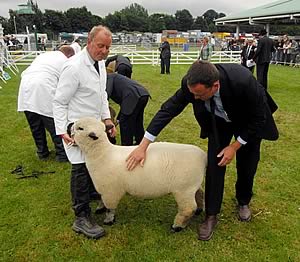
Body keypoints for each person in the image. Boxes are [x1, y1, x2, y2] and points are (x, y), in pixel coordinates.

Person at [126, 60, 279, 241]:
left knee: (248, 165)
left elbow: (259, 118)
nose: (195, 98)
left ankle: (243, 201)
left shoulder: (243, 80)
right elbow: (168, 110)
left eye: (199, 94)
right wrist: (143, 146)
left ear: (215, 86)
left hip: (248, 121)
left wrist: (234, 146)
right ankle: (211, 215)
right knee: (215, 165)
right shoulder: (191, 85)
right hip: (219, 122)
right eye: (193, 94)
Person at [53, 25, 117, 239]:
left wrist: (107, 120)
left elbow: (102, 97)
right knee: (80, 168)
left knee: (94, 163)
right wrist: (63, 131)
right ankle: (81, 217)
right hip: (76, 128)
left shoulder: (100, 64)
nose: (105, 51)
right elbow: (59, 101)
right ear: (89, 42)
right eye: (101, 46)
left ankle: (91, 195)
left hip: (94, 126)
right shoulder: (74, 67)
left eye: (108, 47)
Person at [17, 45, 75, 162]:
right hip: (43, 87)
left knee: (35, 125)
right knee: (54, 124)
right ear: (69, 55)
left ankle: (42, 152)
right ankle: (62, 154)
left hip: (25, 87)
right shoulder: (65, 61)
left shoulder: (44, 55)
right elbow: (66, 84)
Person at [106, 72, 150, 145]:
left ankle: (126, 145)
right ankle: (140, 142)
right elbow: (123, 103)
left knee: (125, 123)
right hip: (143, 94)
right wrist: (119, 117)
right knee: (137, 121)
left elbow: (106, 94)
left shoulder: (109, 77)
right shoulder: (117, 78)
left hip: (132, 96)